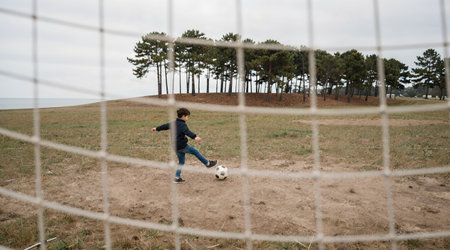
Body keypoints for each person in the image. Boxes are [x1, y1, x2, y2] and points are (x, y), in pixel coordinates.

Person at [152, 108, 217, 183]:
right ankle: (208, 164)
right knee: (195, 151)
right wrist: (195, 137)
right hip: (181, 146)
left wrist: (156, 128)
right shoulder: (183, 125)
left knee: (181, 161)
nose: (187, 118)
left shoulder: (174, 123)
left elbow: (165, 126)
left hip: (175, 146)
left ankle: (176, 178)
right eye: (187, 116)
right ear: (183, 116)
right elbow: (187, 132)